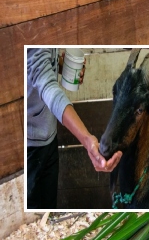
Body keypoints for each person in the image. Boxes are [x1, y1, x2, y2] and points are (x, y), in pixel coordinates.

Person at [26, 48, 122, 209]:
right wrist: (86, 139)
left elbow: (39, 63)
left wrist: (61, 65)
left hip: (48, 136)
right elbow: (48, 88)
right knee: (34, 212)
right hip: (30, 147)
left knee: (48, 208)